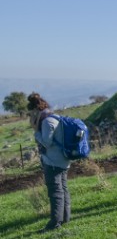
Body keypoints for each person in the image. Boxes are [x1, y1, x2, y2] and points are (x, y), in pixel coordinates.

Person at [27, 93, 71, 232]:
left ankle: (54, 223)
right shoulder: (54, 116)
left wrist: (36, 132)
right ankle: (65, 218)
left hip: (53, 161)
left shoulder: (46, 121)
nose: (31, 118)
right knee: (63, 189)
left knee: (55, 192)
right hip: (62, 159)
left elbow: (46, 142)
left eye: (31, 114)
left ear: (35, 110)